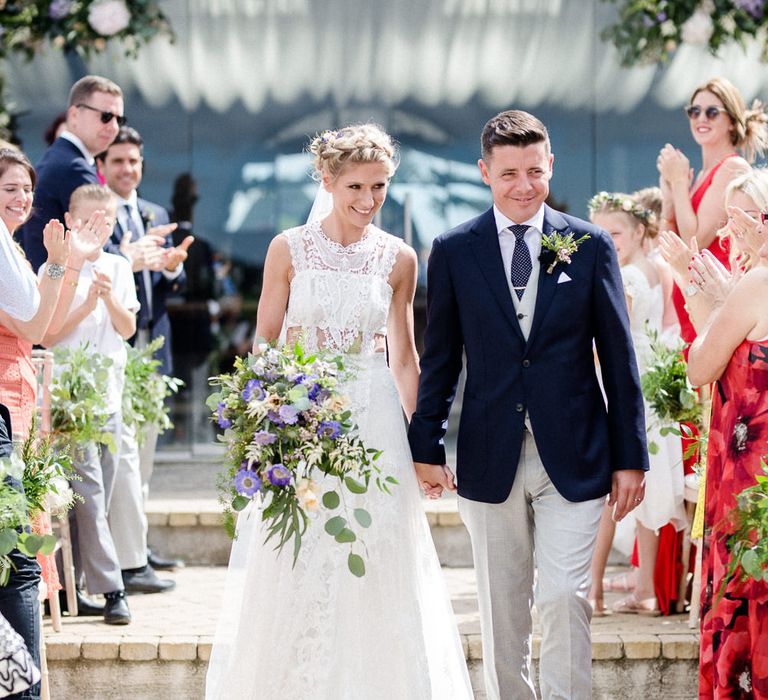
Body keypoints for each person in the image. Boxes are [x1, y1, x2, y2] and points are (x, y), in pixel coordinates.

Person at [205, 124, 473, 699]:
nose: (368, 200)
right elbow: (266, 344)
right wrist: (268, 422)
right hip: (303, 420)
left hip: (375, 422)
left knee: (377, 552)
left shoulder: (399, 258)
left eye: (379, 186)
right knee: (298, 549)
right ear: (325, 181)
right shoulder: (288, 248)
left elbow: (405, 359)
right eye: (355, 185)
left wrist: (426, 447)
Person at [407, 110, 648, 700]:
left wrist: (631, 457)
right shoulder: (454, 250)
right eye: (509, 172)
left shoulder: (589, 246)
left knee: (566, 596)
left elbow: (618, 358)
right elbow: (441, 361)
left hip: (577, 452)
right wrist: (426, 447)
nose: (523, 186)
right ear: (485, 171)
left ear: (551, 167)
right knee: (502, 611)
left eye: (534, 172)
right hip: (490, 456)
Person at [0, 147, 100, 699]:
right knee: (20, 561)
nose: (23, 198)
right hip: (3, 405)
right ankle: (23, 690)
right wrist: (62, 264)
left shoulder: (12, 250)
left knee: (20, 557)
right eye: (11, 187)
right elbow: (39, 324)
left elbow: (45, 326)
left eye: (27, 189)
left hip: (16, 403)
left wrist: (72, 264)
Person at [41, 184, 138, 625]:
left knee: (96, 494)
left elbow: (128, 327)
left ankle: (74, 585)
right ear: (71, 219)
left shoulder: (119, 267)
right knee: (91, 493)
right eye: (89, 222)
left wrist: (109, 297)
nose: (99, 230)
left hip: (109, 396)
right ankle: (113, 588)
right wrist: (84, 306)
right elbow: (48, 333)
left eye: (107, 222)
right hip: (68, 395)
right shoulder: (58, 268)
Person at [587, 192, 686, 617]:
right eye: (602, 233)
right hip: (650, 378)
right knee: (644, 491)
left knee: (610, 493)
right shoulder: (659, 268)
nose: (609, 240)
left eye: (616, 233)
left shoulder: (625, 277)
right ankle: (646, 589)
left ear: (641, 231)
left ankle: (592, 589)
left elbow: (611, 338)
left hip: (624, 383)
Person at [98, 127, 192, 574]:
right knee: (119, 455)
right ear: (102, 166)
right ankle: (119, 553)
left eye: (133, 161)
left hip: (153, 349)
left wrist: (173, 268)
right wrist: (125, 256)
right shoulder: (94, 214)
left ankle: (140, 544)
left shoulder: (157, 214)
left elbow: (174, 283)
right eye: (117, 161)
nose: (127, 169)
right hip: (111, 347)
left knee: (146, 454)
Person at [684, 204, 768, 698]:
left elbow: (700, 367)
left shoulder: (758, 283)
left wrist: (715, 302)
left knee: (748, 603)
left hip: (751, 483)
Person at [657, 76, 768, 348]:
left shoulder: (732, 168)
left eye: (711, 111)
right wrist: (670, 196)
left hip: (716, 299)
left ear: (731, 120)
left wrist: (680, 182)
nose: (700, 118)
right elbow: (669, 244)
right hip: (691, 292)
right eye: (694, 111)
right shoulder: (700, 176)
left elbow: (697, 238)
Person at [19, 75, 124, 272]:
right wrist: (129, 256)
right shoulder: (73, 168)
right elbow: (96, 243)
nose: (114, 127)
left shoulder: (61, 158)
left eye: (120, 119)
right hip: (63, 289)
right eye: (106, 116)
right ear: (74, 115)